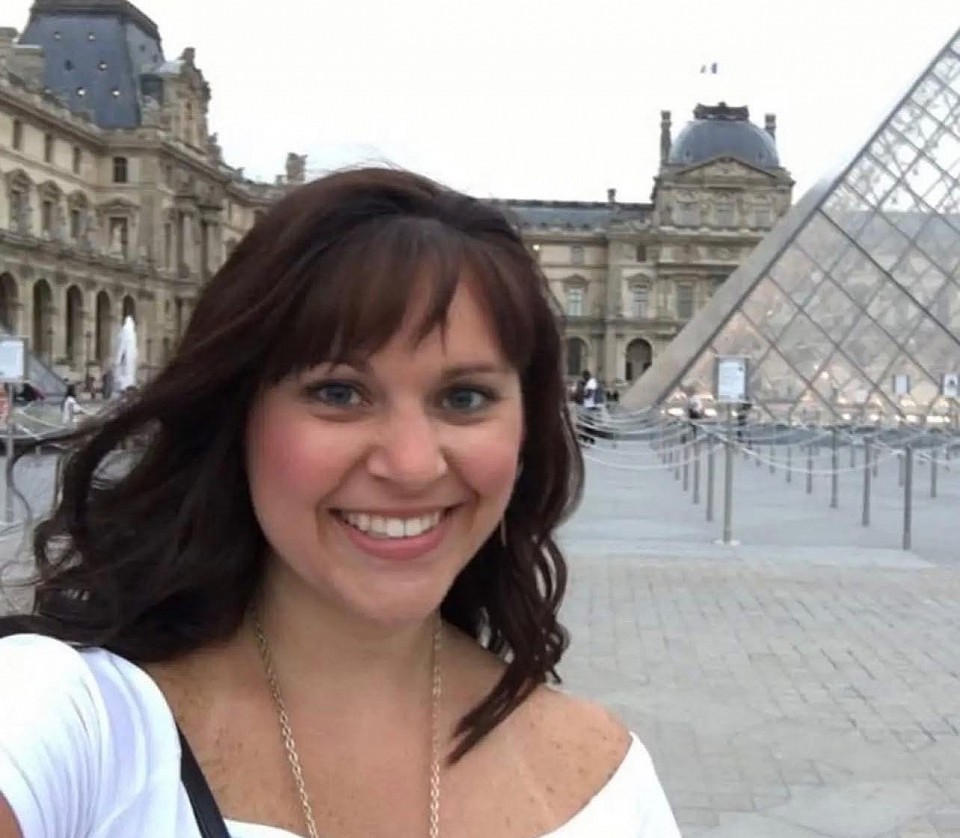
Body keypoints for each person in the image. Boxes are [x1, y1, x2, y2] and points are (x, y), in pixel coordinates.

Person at [0, 168, 681, 837]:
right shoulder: (63, 723)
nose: (411, 466)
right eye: (339, 393)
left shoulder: (612, 784)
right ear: (236, 414)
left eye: (464, 397)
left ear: (527, 430)